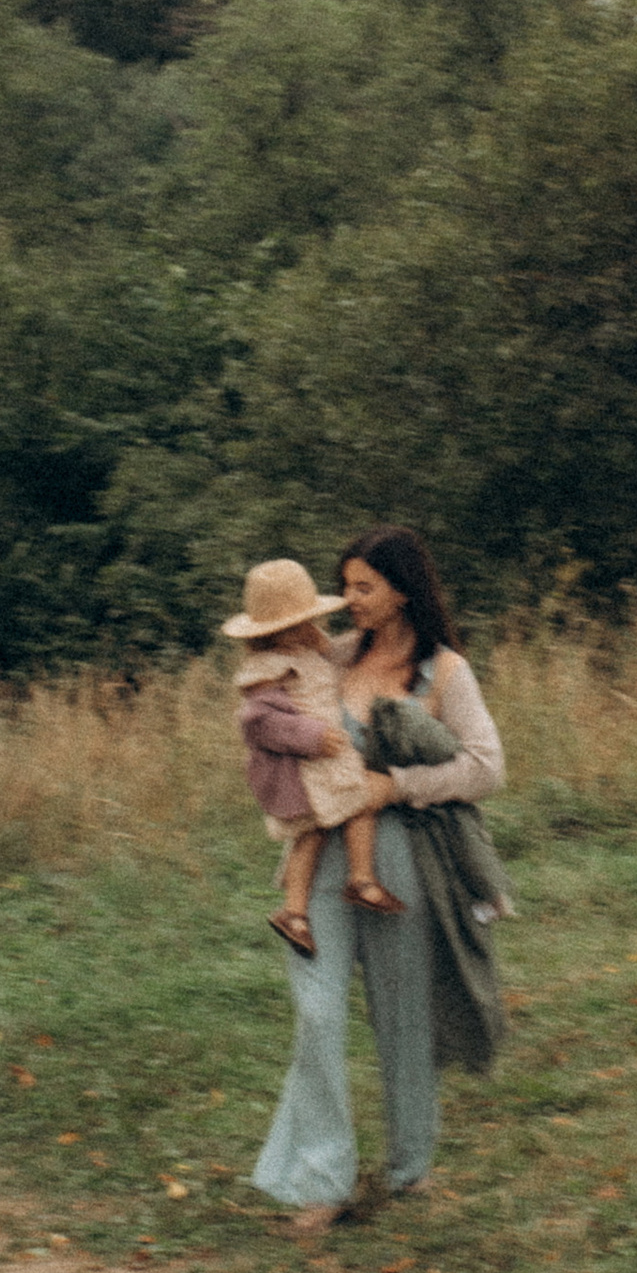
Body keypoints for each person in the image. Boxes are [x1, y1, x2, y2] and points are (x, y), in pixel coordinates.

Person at [249, 525, 507, 1230]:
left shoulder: (445, 672)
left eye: (364, 587)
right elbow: (272, 723)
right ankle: (321, 1184)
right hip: (319, 857)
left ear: (402, 590)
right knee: (316, 1012)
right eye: (345, 586)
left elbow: (487, 768)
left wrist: (396, 787)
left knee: (404, 1014)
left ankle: (410, 1168)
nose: (350, 600)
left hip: (402, 857)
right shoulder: (328, 658)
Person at [223, 558, 404, 956]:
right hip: (309, 763)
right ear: (269, 635)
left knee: (342, 814)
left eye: (307, 622)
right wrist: (312, 737)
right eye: (292, 627)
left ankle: (345, 886)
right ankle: (314, 902)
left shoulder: (308, 648)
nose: (305, 631)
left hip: (329, 758)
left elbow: (336, 658)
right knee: (325, 822)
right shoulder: (267, 667)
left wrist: (374, 636)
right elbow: (258, 721)